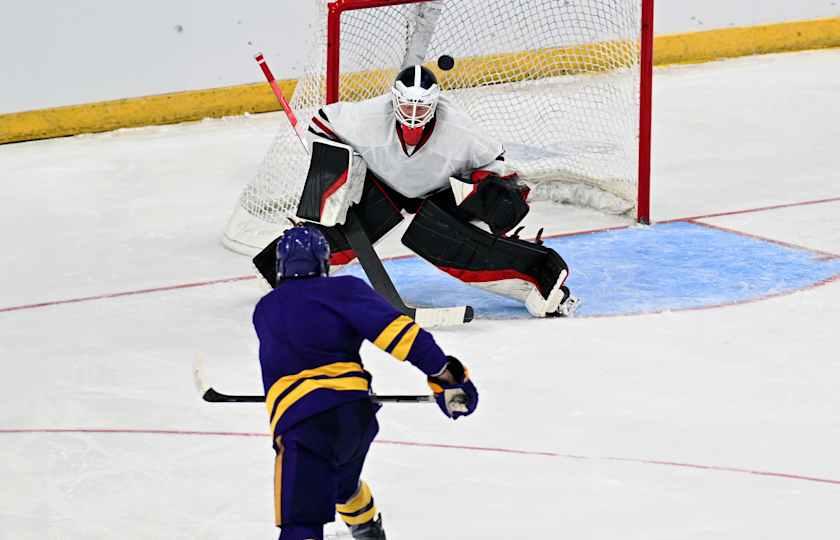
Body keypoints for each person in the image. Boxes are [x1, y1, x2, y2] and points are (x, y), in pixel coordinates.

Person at [258, 63, 578, 318]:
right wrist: (339, 176)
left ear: (435, 104)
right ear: (394, 101)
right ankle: (291, 272)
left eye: (421, 109)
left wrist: (493, 199)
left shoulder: (459, 130)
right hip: (384, 181)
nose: (412, 117)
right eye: (406, 107)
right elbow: (323, 123)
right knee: (335, 220)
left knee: (455, 245)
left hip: (438, 190)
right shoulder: (370, 116)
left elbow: (497, 165)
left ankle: (542, 278)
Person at [253, 224, 479, 540]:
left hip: (303, 426)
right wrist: (446, 375)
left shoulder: (265, 309)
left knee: (300, 521)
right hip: (354, 418)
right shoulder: (344, 290)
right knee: (341, 483)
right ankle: (368, 528)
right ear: (324, 262)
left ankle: (362, 527)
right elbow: (399, 334)